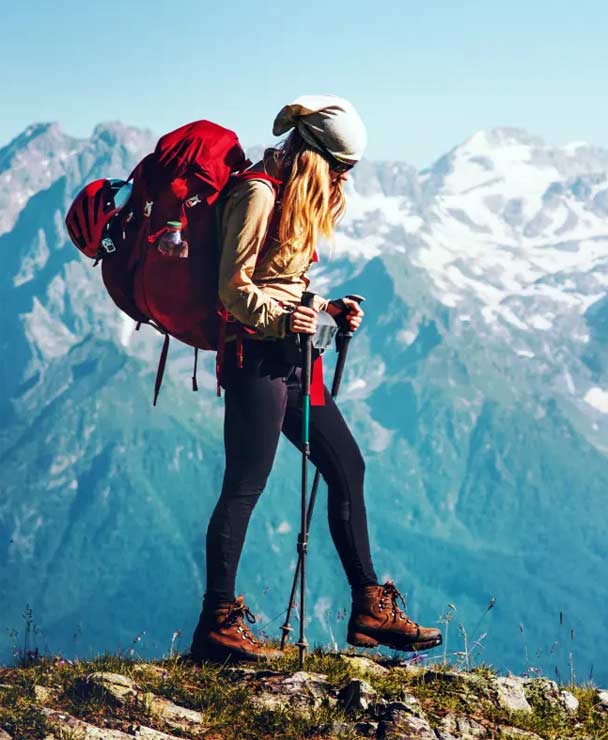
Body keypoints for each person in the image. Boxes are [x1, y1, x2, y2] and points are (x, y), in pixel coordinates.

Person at [190, 95, 442, 662]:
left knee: (347, 465)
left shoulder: (292, 198)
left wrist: (326, 307)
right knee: (244, 487)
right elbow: (232, 289)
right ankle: (217, 625)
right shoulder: (257, 193)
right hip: (254, 361)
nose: (342, 183)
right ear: (314, 157)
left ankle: (370, 608)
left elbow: (278, 279)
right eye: (339, 170)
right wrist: (286, 318)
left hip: (295, 358)